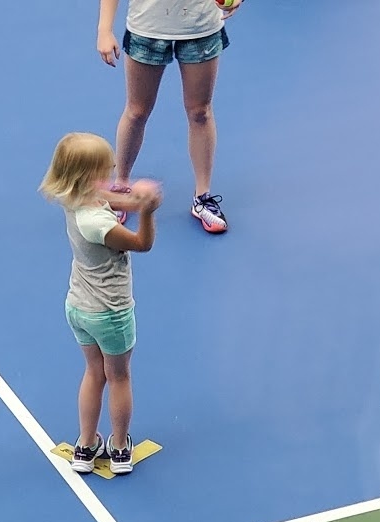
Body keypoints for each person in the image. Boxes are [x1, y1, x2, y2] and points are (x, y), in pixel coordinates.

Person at [40, 132, 162, 475]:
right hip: (110, 313)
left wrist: (134, 200)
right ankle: (120, 447)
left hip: (78, 306)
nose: (110, 174)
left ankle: (85, 444)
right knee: (119, 377)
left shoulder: (72, 196)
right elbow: (141, 243)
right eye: (104, 170)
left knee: (94, 374)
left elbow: (105, 195)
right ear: (88, 174)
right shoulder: (98, 224)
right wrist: (148, 211)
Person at [96, 0, 243, 235]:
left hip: (201, 28)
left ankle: (202, 197)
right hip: (147, 28)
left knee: (200, 112)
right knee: (137, 112)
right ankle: (121, 187)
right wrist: (104, 30)